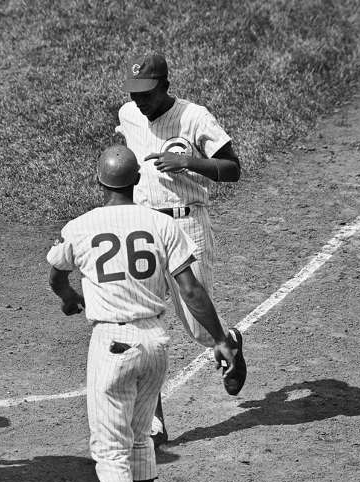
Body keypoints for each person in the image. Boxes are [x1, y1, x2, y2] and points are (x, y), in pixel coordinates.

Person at [47, 145, 237, 482]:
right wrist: (220, 339)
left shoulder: (80, 227)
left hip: (112, 344)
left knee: (108, 450)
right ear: (137, 182)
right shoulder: (162, 224)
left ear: (99, 182)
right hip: (156, 342)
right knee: (139, 442)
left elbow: (56, 271)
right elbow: (190, 290)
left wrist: (69, 298)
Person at [115, 52, 247, 447]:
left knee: (197, 325)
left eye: (147, 93)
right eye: (135, 93)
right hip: (143, 227)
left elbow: (233, 169)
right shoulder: (128, 115)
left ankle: (227, 341)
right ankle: (153, 422)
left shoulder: (194, 117)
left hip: (186, 222)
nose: (140, 101)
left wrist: (189, 161)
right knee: (142, 326)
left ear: (165, 86)